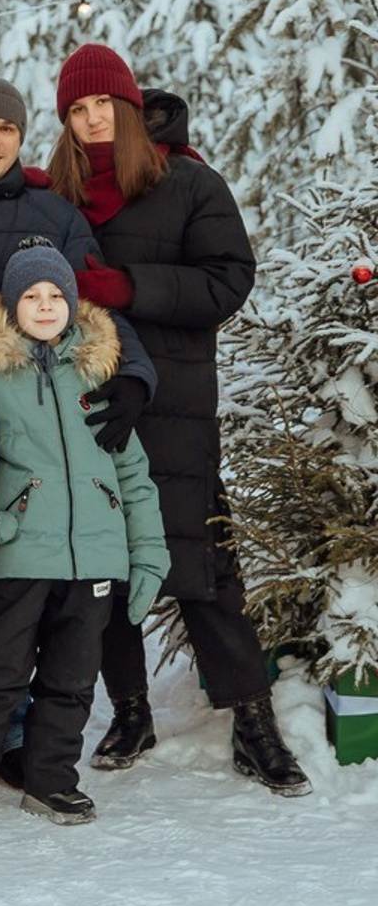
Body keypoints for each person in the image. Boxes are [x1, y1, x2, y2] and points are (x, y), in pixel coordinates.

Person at [45, 43, 311, 796]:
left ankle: (255, 725)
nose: (92, 120)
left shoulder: (187, 180)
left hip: (176, 406)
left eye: (103, 106)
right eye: (77, 110)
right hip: (89, 399)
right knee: (104, 566)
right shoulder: (58, 193)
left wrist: (127, 285)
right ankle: (130, 713)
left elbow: (230, 281)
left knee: (203, 571)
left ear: (130, 109)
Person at [0, 75, 160, 780]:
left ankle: (21, 744)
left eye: (6, 129)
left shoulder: (49, 212)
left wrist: (134, 376)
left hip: (21, 422)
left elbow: (89, 298)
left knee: (15, 594)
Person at [0, 241, 169, 825]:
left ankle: (52, 780)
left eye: (57, 295)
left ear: (74, 303)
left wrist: (147, 553)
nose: (47, 305)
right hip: (20, 552)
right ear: (10, 305)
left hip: (94, 559)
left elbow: (131, 472)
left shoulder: (96, 370)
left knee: (72, 680)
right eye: (32, 295)